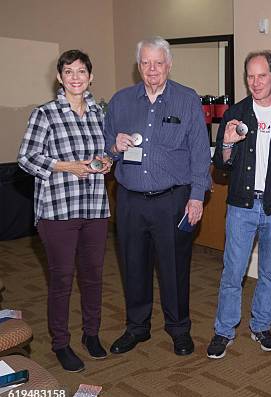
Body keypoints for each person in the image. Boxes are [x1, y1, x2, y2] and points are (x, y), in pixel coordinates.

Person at [104, 36, 211, 356]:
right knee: (132, 265)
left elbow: (199, 152)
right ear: (138, 67)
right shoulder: (120, 101)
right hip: (130, 200)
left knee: (174, 268)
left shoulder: (187, 99)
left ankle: (179, 329)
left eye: (158, 62)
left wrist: (196, 196)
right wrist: (114, 146)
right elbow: (105, 147)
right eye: (146, 63)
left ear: (169, 64)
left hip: (173, 200)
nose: (152, 69)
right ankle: (137, 327)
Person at [17, 50, 112, 372]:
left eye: (81, 71)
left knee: (93, 278)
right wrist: (66, 166)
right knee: (62, 280)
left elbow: (104, 154)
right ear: (59, 77)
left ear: (90, 77)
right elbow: (27, 158)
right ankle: (61, 343)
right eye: (68, 72)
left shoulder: (100, 113)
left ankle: (91, 334)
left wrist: (106, 162)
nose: (75, 77)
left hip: (95, 208)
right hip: (57, 211)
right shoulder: (45, 114)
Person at [207, 50, 271, 359]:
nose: (255, 82)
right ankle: (223, 331)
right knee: (233, 273)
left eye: (261, 75)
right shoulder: (236, 113)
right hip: (241, 206)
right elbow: (221, 164)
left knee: (269, 272)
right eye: (250, 76)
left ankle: (261, 325)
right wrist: (228, 143)